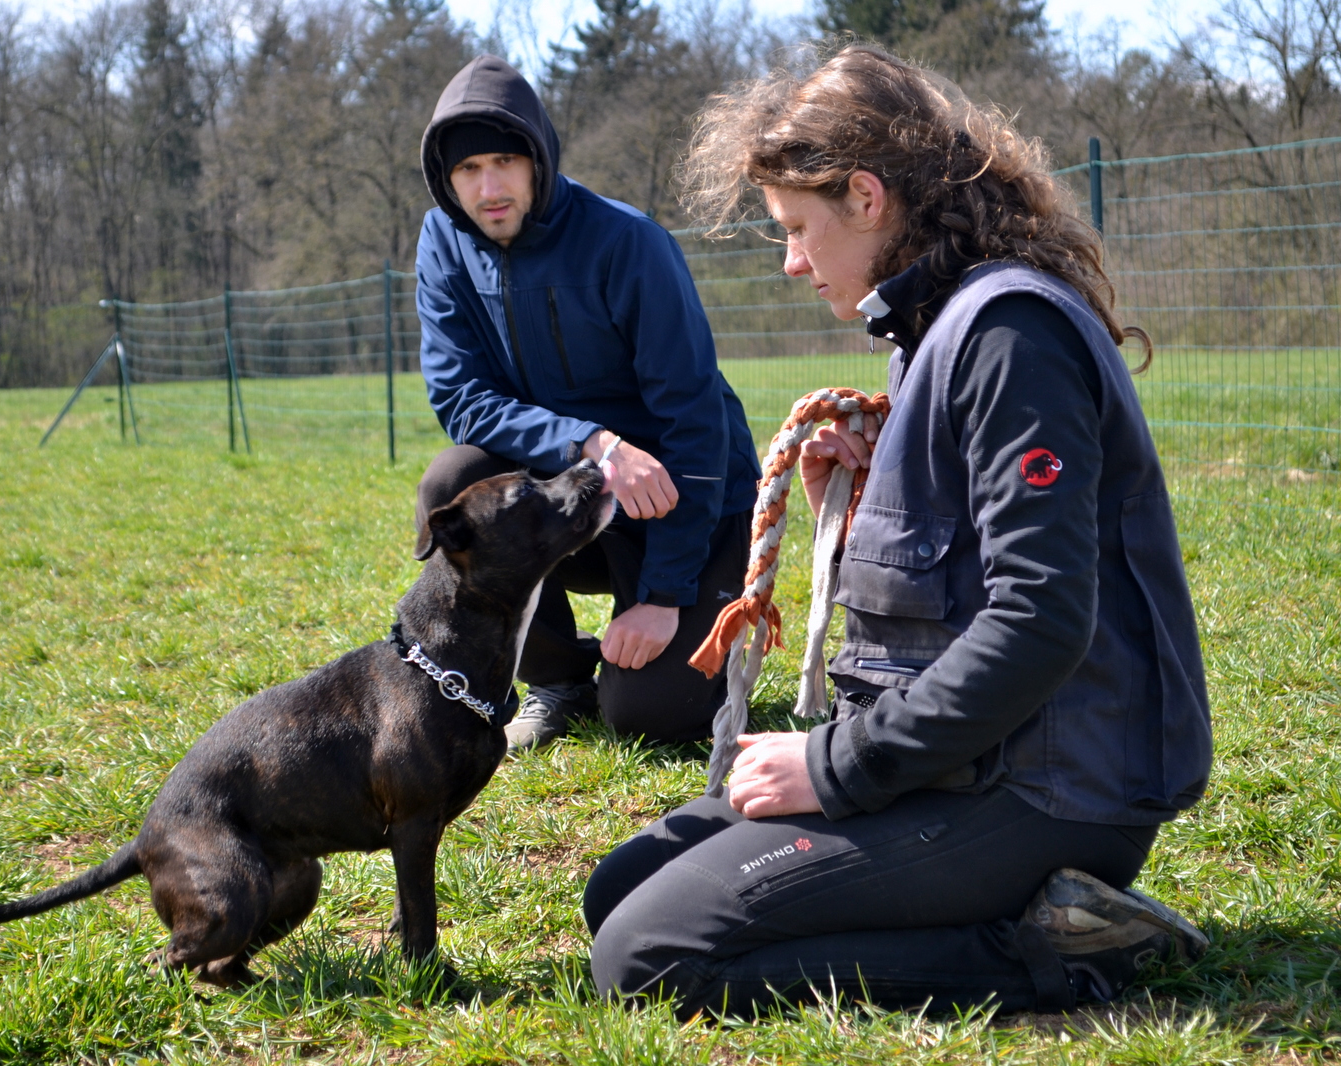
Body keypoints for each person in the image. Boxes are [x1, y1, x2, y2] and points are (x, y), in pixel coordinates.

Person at [584, 44, 1214, 1018]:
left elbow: (1041, 620)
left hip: (1047, 792)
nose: (792, 261)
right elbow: (958, 565)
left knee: (647, 955)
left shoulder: (1009, 336)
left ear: (867, 197)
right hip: (960, 764)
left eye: (798, 228)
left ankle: (1060, 948)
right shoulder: (936, 332)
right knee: (617, 891)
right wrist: (871, 492)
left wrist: (831, 766)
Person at [413, 55, 761, 751]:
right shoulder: (443, 244)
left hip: (687, 502)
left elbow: (695, 422)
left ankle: (700, 635)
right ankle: (558, 677)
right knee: (455, 481)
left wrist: (663, 597)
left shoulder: (628, 243)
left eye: (505, 161)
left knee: (648, 716)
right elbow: (460, 396)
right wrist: (590, 443)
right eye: (468, 169)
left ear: (539, 158)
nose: (489, 187)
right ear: (446, 180)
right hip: (580, 494)